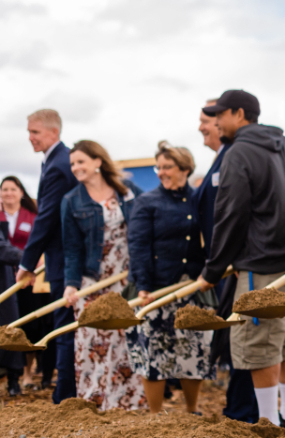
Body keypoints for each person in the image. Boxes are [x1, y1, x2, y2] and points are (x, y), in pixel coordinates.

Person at [198, 89, 285, 436]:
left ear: (239, 114)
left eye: (220, 115)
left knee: (259, 346)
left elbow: (230, 214)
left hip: (262, 266)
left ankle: (268, 425)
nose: (217, 122)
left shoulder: (239, 152)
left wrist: (212, 269)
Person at [127, 141, 215, 414]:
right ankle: (155, 414)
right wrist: (143, 286)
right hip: (154, 289)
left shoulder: (200, 199)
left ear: (185, 169)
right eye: (159, 167)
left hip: (193, 289)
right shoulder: (147, 202)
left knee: (195, 350)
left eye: (168, 167)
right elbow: (138, 246)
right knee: (155, 352)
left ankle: (192, 410)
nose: (161, 172)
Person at [61, 140, 145, 410]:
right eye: (73, 163)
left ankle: (128, 405)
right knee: (92, 343)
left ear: (98, 161)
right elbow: (72, 250)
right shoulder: (72, 201)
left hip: (126, 282)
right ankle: (94, 403)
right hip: (92, 282)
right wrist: (70, 286)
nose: (76, 168)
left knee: (125, 342)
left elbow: (146, 224)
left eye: (81, 161)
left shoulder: (127, 191)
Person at [199, 98, 259, 424]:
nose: (203, 126)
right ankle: (240, 409)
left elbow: (234, 214)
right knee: (234, 337)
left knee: (245, 336)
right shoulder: (222, 158)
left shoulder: (238, 155)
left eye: (209, 118)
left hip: (239, 261)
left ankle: (246, 413)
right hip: (225, 262)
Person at [16, 109, 79, 403]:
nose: (30, 137)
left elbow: (46, 219)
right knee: (65, 326)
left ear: (54, 132)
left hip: (64, 258)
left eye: (35, 132)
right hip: (61, 257)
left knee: (64, 327)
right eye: (29, 132)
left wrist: (27, 263)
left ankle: (65, 394)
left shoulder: (58, 165)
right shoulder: (55, 160)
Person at [0, 176, 34, 396]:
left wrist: (29, 260)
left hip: (6, 280)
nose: (8, 193)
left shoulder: (30, 216)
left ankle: (14, 379)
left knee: (10, 327)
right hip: (13, 270)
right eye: (4, 190)